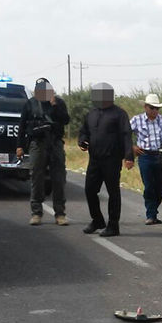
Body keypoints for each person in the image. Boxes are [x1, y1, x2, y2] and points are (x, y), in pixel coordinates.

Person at [78, 82, 134, 237]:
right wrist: (82, 141)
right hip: (94, 159)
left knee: (113, 192)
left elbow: (126, 135)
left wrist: (129, 156)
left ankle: (113, 225)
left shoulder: (119, 114)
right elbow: (84, 131)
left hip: (112, 159)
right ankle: (97, 220)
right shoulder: (91, 113)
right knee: (90, 190)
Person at [16, 78, 69, 226]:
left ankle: (60, 214)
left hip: (55, 143)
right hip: (37, 144)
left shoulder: (58, 102)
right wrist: (19, 146)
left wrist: (55, 106)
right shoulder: (30, 104)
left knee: (58, 178)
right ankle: (36, 213)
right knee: (36, 178)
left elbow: (66, 120)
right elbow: (22, 125)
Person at [131, 93, 162, 225]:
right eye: (152, 108)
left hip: (161, 156)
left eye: (156, 108)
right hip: (145, 156)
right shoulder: (136, 120)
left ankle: (153, 211)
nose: (154, 111)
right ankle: (151, 214)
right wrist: (132, 147)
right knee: (149, 185)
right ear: (146, 107)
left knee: (160, 186)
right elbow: (123, 134)